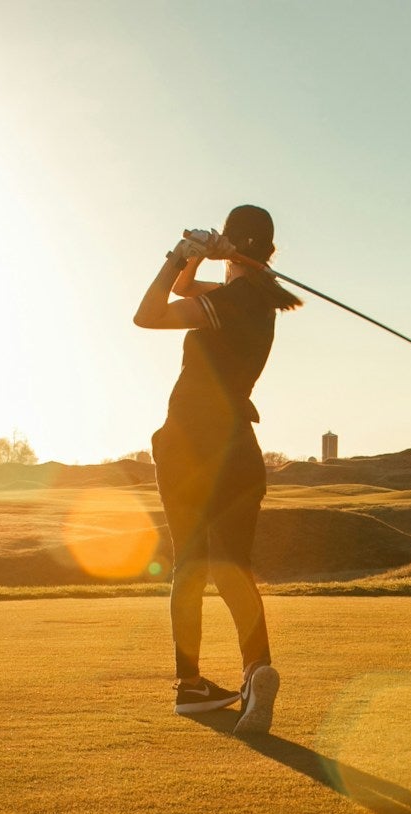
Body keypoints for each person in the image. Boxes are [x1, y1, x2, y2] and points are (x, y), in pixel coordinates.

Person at [133, 204, 301, 734]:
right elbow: (190, 292)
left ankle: (190, 685)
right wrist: (205, 258)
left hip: (190, 445)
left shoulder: (229, 303)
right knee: (233, 567)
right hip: (240, 449)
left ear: (235, 246)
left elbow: (149, 313)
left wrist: (176, 255)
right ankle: (256, 670)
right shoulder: (262, 300)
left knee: (188, 565)